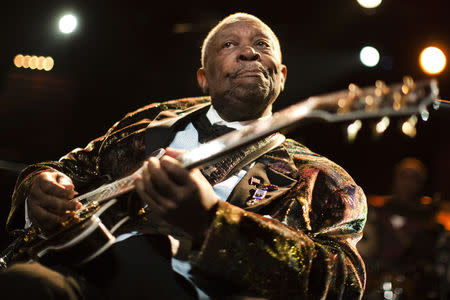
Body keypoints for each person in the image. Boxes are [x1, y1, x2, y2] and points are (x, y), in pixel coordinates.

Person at [0, 13, 367, 299]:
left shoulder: (322, 179)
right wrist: (38, 186)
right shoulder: (149, 120)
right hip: (80, 272)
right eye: (228, 45)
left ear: (282, 75)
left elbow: (342, 282)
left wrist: (213, 223)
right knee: (23, 284)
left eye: (262, 44)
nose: (248, 51)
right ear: (204, 78)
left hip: (193, 290)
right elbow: (68, 168)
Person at [358, 157, 447, 299]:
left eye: (414, 177)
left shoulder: (431, 223)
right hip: (377, 288)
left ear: (421, 183)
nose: (408, 182)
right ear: (395, 178)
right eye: (404, 175)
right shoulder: (376, 214)